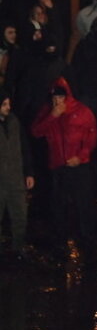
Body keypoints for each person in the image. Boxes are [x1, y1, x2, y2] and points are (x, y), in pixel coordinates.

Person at [30, 78, 97, 262]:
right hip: (57, 167)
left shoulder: (81, 111)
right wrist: (53, 115)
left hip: (78, 167)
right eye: (54, 97)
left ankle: (87, 242)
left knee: (83, 204)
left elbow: (92, 136)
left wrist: (81, 157)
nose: (57, 100)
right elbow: (36, 131)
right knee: (58, 205)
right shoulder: (48, 112)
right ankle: (60, 242)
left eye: (60, 96)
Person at [0, 90, 33, 261]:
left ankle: (18, 247)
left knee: (20, 214)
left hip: (15, 177)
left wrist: (29, 173)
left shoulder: (14, 122)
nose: (8, 107)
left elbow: (25, 148)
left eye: (8, 104)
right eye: (4, 104)